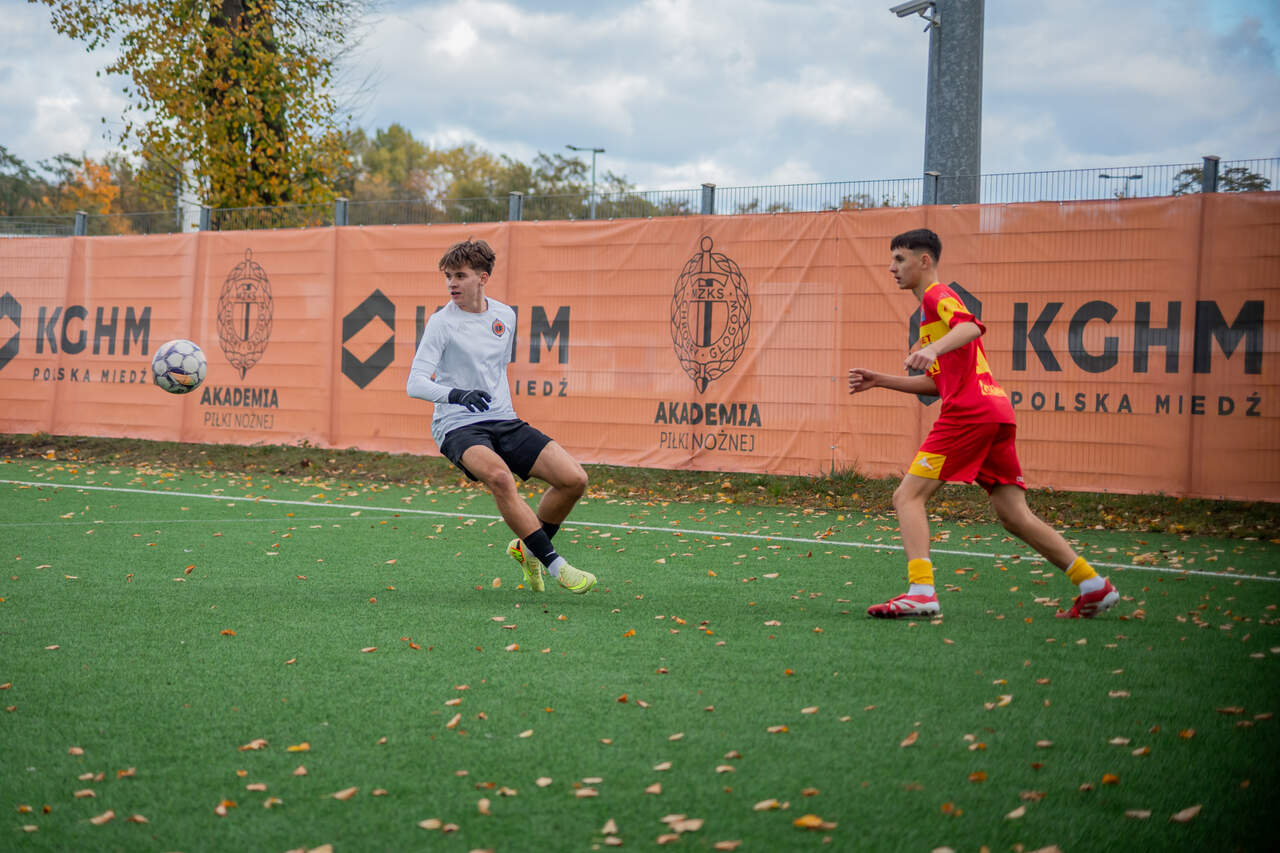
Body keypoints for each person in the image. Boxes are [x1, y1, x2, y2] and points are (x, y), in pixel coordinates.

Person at [847, 228, 1118, 619]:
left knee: (907, 497)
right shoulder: (928, 313)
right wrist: (881, 380)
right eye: (892, 260)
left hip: (969, 413)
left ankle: (921, 592)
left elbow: (972, 326)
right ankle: (1092, 585)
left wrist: (932, 348)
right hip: (994, 411)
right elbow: (939, 383)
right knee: (1014, 515)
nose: (892, 267)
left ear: (924, 260)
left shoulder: (937, 294)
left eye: (899, 259)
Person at [407, 238, 596, 595]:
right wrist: (457, 394)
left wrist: (499, 410)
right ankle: (557, 566)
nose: (452, 284)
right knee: (499, 477)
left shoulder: (505, 316)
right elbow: (414, 383)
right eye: (448, 276)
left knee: (574, 479)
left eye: (460, 276)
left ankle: (527, 550)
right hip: (456, 424)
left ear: (483, 277)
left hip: (503, 419)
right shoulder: (441, 323)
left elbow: (494, 371)